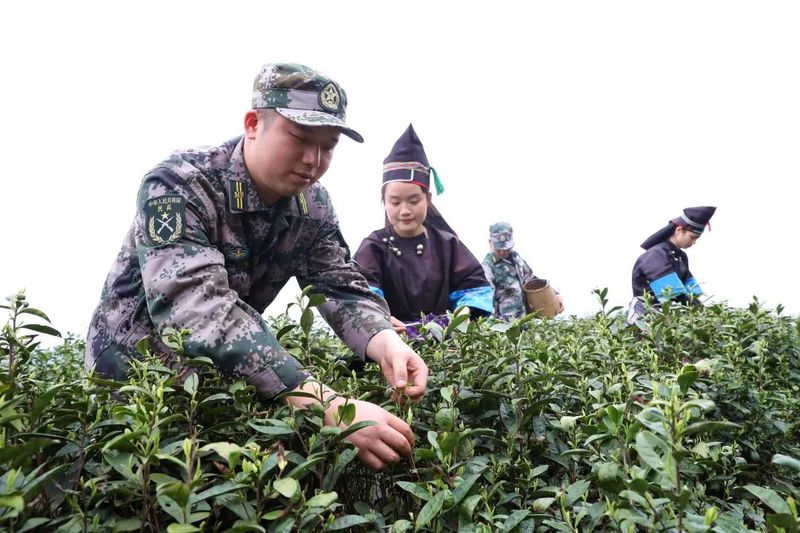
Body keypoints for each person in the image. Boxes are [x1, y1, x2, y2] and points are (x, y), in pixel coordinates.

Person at [85, 63, 428, 470]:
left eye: (328, 146)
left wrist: (385, 340)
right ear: (253, 124)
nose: (313, 160)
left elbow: (339, 284)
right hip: (133, 385)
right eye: (300, 138)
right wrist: (327, 405)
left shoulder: (312, 206)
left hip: (218, 382)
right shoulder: (181, 184)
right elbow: (198, 311)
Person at [353, 124, 493, 332]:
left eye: (413, 200)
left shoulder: (447, 244)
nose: (405, 210)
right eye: (395, 202)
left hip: (445, 340)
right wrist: (382, 320)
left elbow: (472, 288)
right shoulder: (373, 247)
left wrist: (456, 320)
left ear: (427, 199)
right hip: (391, 340)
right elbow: (362, 296)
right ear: (384, 201)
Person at [627, 206, 717, 325]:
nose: (694, 243)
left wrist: (706, 315)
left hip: (665, 314)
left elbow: (690, 290)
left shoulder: (681, 257)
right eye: (692, 238)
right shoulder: (656, 254)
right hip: (644, 314)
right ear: (679, 230)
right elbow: (672, 292)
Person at [481, 222, 563, 320]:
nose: (503, 252)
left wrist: (555, 294)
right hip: (505, 326)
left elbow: (531, 280)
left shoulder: (515, 257)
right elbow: (487, 301)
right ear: (490, 243)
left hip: (524, 321)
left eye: (506, 248)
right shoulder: (488, 266)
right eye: (499, 249)